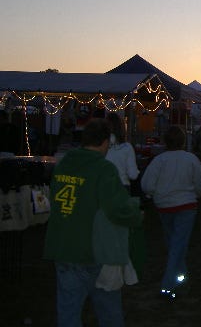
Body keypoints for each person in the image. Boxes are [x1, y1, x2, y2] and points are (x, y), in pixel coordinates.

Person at [43, 118, 143, 326]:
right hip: (92, 250)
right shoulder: (103, 169)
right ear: (106, 142)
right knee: (108, 312)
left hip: (62, 246)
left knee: (68, 312)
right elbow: (117, 209)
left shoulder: (63, 165)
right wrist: (135, 213)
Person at [141, 125, 201, 299]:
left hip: (164, 206)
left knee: (174, 244)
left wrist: (154, 194)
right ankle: (169, 284)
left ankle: (180, 279)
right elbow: (199, 183)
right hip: (186, 205)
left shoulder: (159, 161)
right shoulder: (191, 159)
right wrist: (197, 194)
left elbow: (147, 184)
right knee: (178, 245)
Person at [105, 112, 139, 191]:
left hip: (104, 186)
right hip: (122, 186)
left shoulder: (100, 146)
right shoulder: (127, 147)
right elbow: (133, 175)